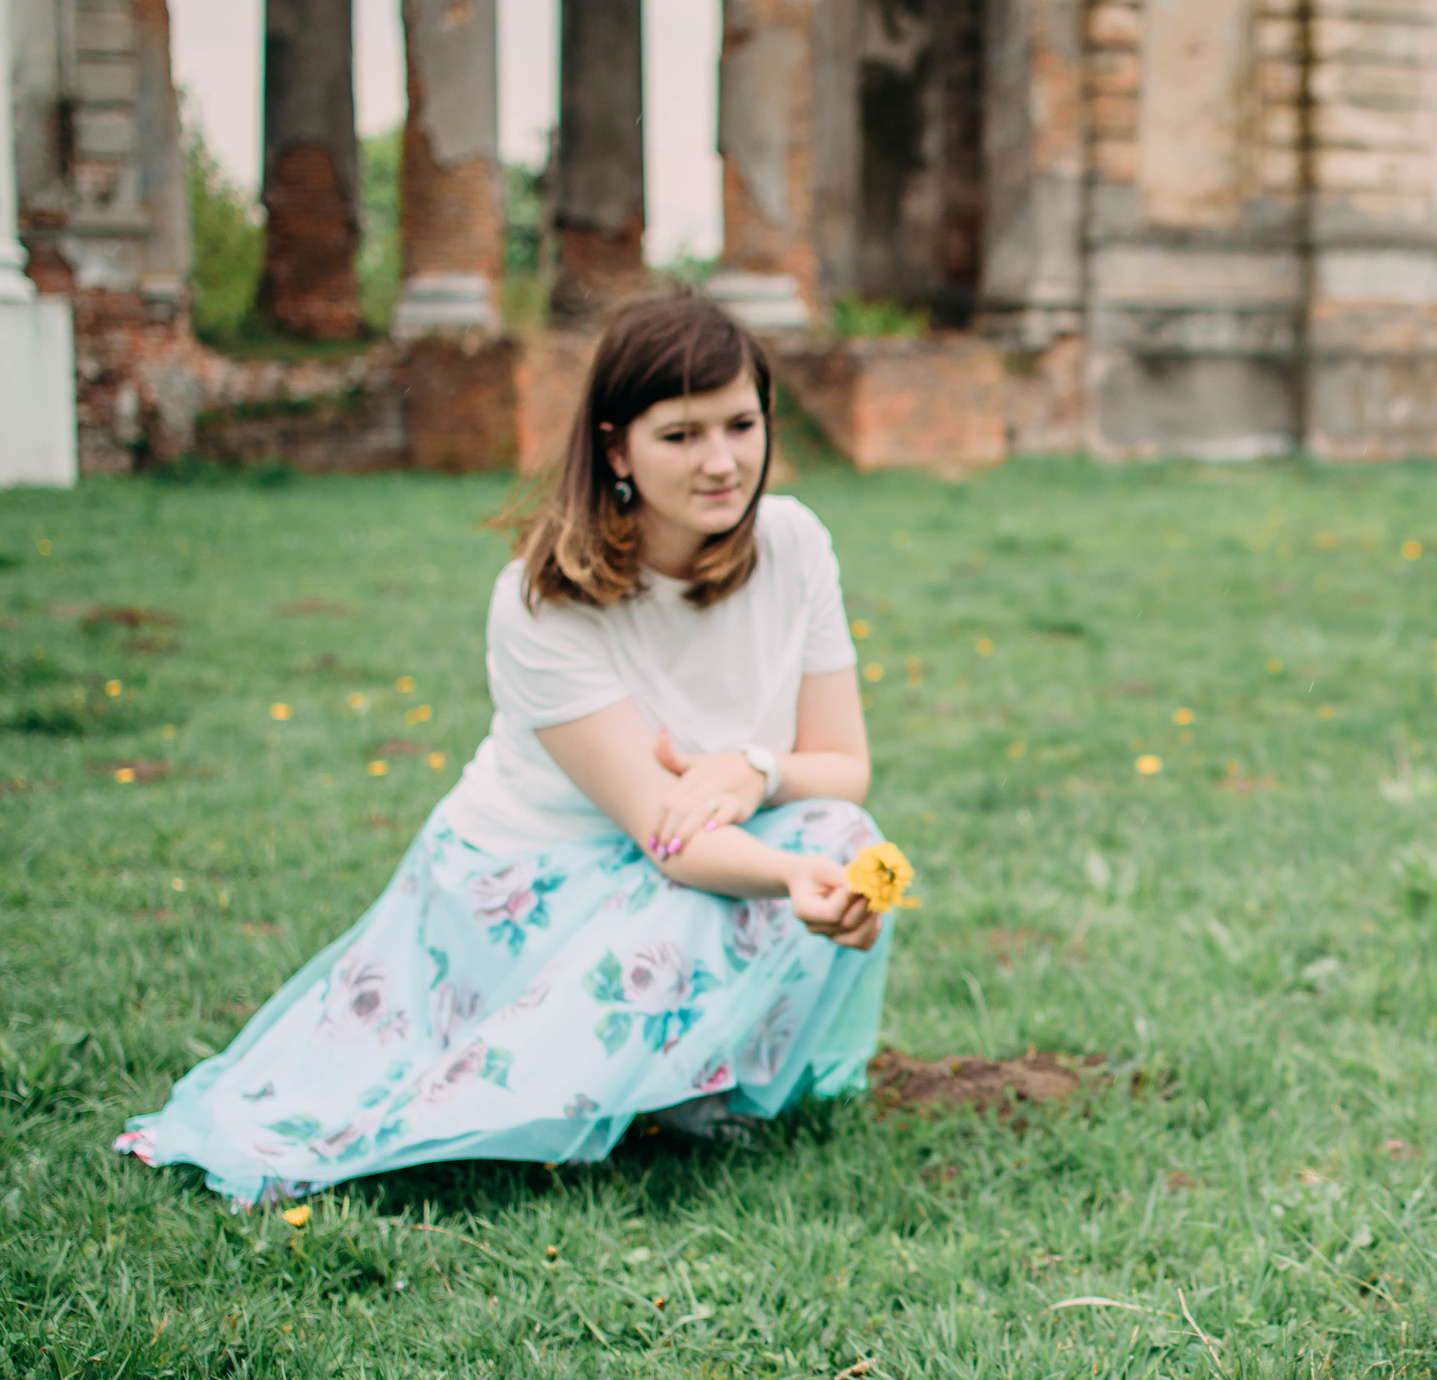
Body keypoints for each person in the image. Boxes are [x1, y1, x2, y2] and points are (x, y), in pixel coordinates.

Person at [118, 294, 895, 1207]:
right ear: (617, 450)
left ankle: (691, 1089)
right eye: (681, 435)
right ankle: (628, 1086)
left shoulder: (795, 544)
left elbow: (842, 765)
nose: (722, 462)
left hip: (685, 856)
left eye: (741, 424)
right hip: (532, 879)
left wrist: (756, 769)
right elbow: (670, 839)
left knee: (841, 832)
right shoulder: (544, 601)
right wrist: (790, 875)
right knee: (771, 868)